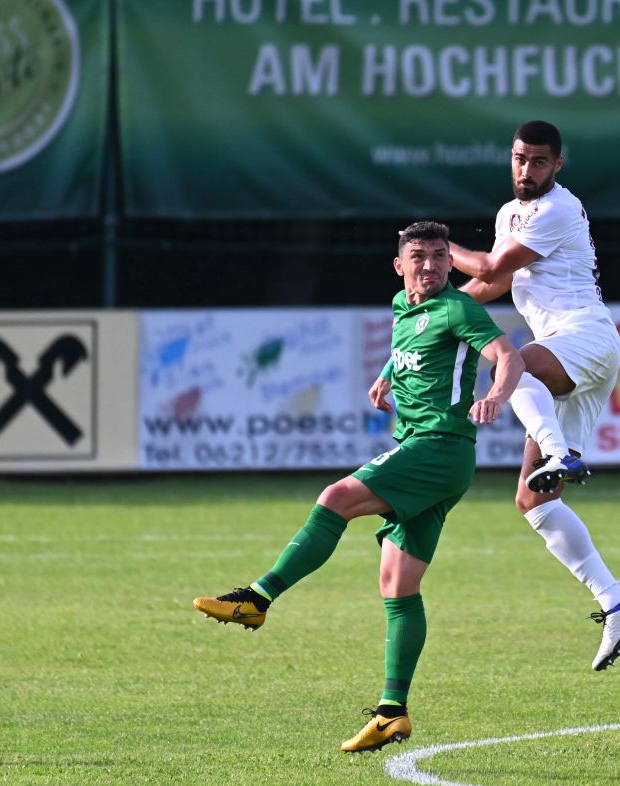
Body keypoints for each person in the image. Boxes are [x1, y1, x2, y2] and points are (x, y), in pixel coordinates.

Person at [193, 221, 524, 753]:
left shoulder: (458, 309)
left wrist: (497, 395)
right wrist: (388, 372)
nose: (431, 265)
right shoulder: (402, 306)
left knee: (335, 498)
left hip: (438, 445)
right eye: (418, 256)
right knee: (398, 586)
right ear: (400, 266)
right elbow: (413, 342)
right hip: (441, 457)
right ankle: (393, 712)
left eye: (440, 256)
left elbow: (509, 356)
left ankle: (258, 598)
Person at [447, 119, 620, 672]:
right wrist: (435, 311)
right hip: (566, 349)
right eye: (519, 159)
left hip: (584, 335)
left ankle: (560, 451)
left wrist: (442, 249)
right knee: (534, 502)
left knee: (514, 367)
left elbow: (488, 266)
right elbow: (490, 284)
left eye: (538, 161)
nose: (526, 170)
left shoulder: (561, 206)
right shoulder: (508, 215)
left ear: (557, 165)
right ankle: (617, 601)